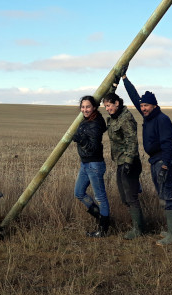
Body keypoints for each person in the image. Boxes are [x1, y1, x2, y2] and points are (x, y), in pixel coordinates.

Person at [122, 73, 172, 245]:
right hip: (155, 161)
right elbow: (135, 98)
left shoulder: (162, 119)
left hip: (164, 162)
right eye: (142, 105)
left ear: (154, 105)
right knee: (164, 196)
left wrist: (165, 166)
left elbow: (167, 143)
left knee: (168, 195)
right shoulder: (148, 117)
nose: (143, 108)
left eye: (146, 105)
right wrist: (125, 79)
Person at [102, 88, 146, 240]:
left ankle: (138, 229)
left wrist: (128, 162)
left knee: (131, 197)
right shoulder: (114, 118)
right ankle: (138, 226)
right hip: (121, 162)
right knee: (124, 197)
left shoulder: (126, 118)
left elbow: (132, 141)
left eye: (110, 105)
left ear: (117, 103)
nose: (108, 109)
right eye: (106, 106)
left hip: (130, 163)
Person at [71, 95, 110, 237]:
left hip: (94, 164)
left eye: (88, 107)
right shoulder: (87, 120)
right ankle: (101, 218)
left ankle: (103, 230)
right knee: (79, 193)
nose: (85, 109)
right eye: (82, 107)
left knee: (100, 197)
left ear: (93, 107)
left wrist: (80, 139)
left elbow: (92, 147)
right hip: (85, 164)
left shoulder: (95, 123)